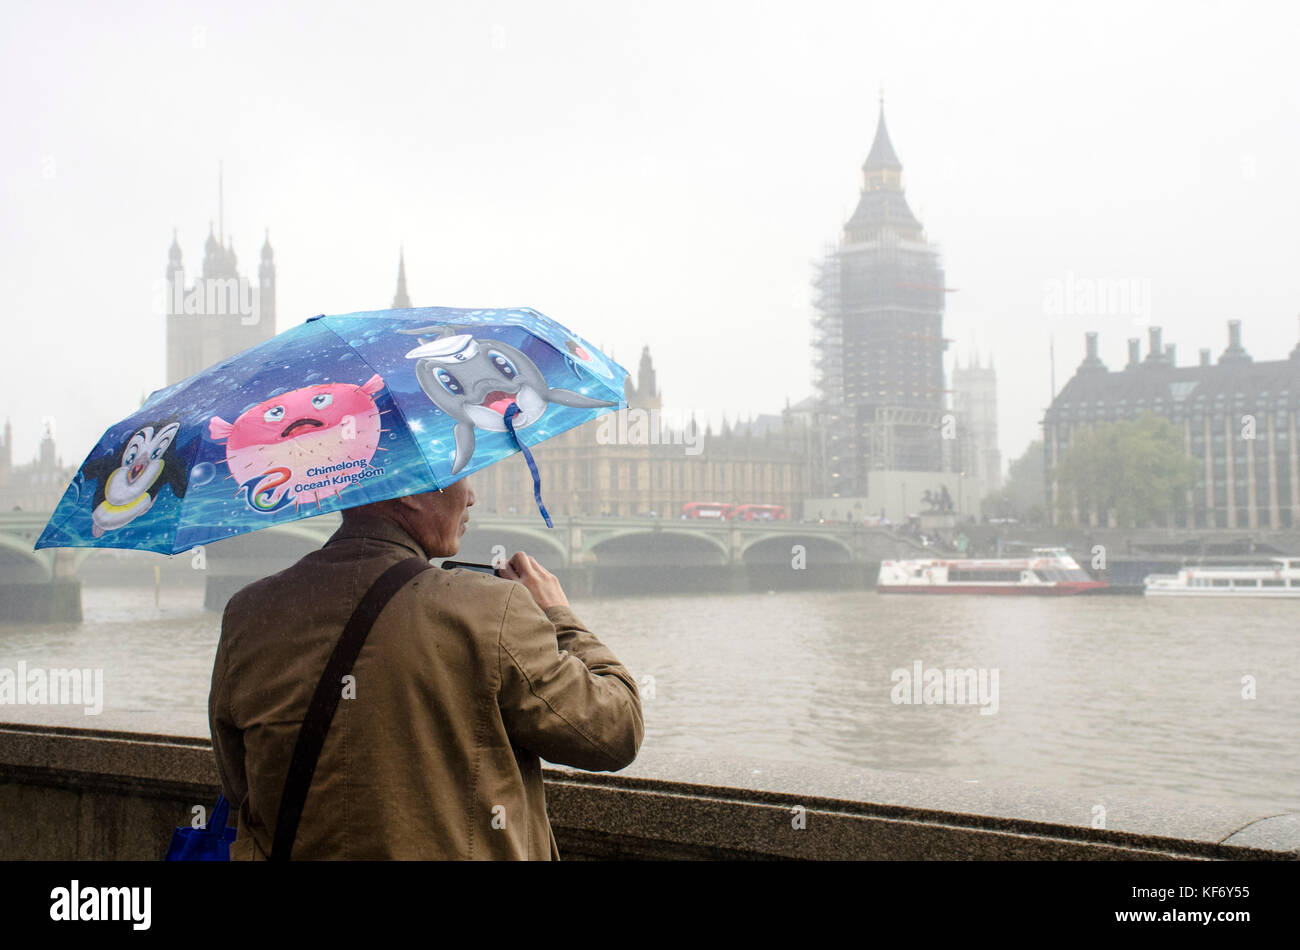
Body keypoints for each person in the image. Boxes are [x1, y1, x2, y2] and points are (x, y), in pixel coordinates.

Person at [208, 479, 643, 859]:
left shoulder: (248, 613)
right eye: (461, 477)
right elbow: (613, 732)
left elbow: (241, 782)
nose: (471, 497)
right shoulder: (491, 609)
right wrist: (557, 614)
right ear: (413, 493)